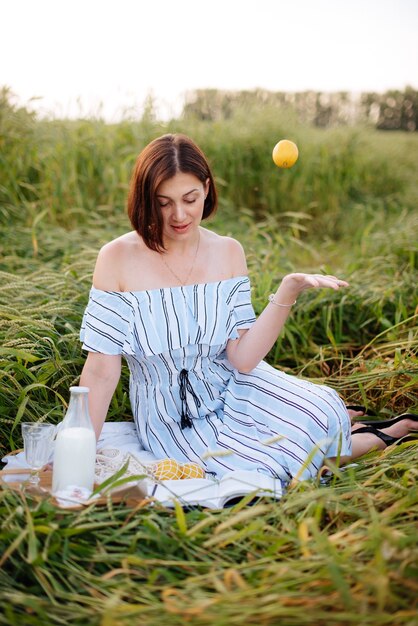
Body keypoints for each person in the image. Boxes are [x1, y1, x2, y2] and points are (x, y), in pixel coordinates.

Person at [79, 133, 417, 484]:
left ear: (207, 189)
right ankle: (381, 435)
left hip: (235, 385)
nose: (179, 215)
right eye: (163, 203)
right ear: (146, 200)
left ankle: (353, 426)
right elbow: (102, 371)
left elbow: (242, 358)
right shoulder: (117, 258)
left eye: (190, 199)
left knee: (322, 409)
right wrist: (80, 449)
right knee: (267, 469)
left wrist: (289, 289)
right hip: (172, 417)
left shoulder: (227, 251)